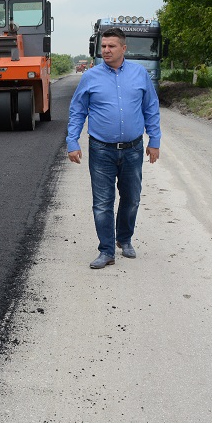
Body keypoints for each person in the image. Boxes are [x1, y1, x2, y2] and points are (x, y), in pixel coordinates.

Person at [66, 27, 161, 269]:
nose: (106, 50)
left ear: (123, 48)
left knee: (131, 199)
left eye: (111, 46)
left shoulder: (140, 75)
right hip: (101, 150)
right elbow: (77, 110)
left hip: (133, 149)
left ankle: (125, 239)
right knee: (102, 202)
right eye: (103, 46)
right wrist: (72, 141)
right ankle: (106, 250)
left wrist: (155, 141)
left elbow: (151, 108)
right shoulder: (90, 77)